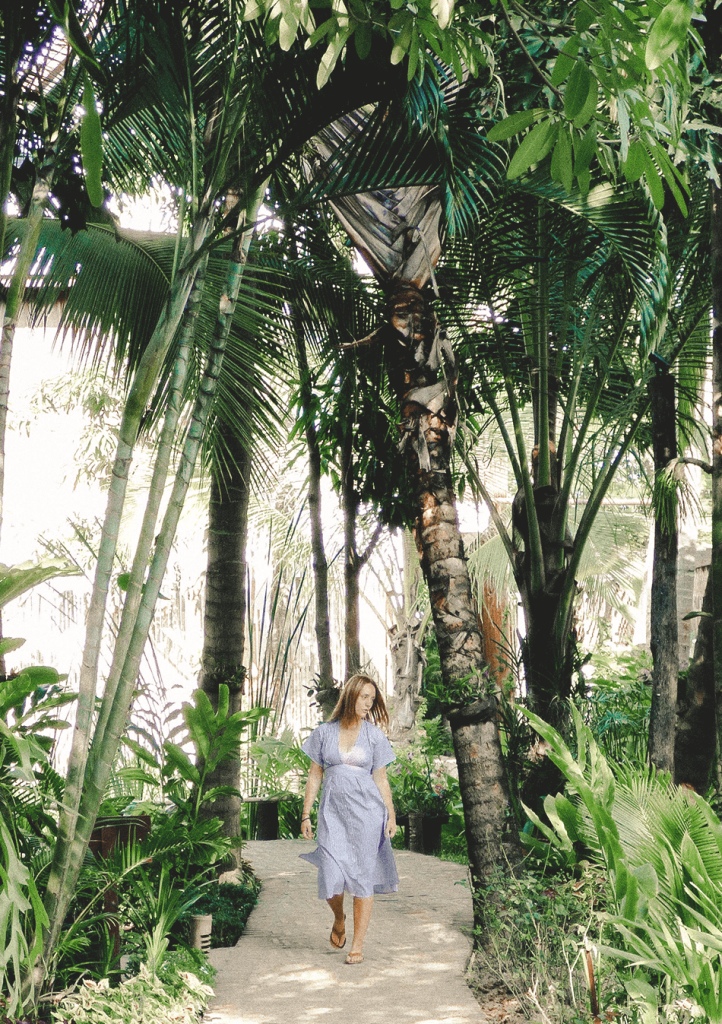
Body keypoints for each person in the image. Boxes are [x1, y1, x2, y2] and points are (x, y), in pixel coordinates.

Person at [299, 674, 398, 965]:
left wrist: (391, 814)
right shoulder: (324, 733)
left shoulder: (374, 736)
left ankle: (357, 945)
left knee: (362, 877)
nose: (368, 703)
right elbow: (315, 774)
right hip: (332, 813)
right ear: (351, 696)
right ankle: (339, 919)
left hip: (368, 814)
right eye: (363, 696)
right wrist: (305, 813)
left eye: (372, 698)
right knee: (331, 874)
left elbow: (381, 778)